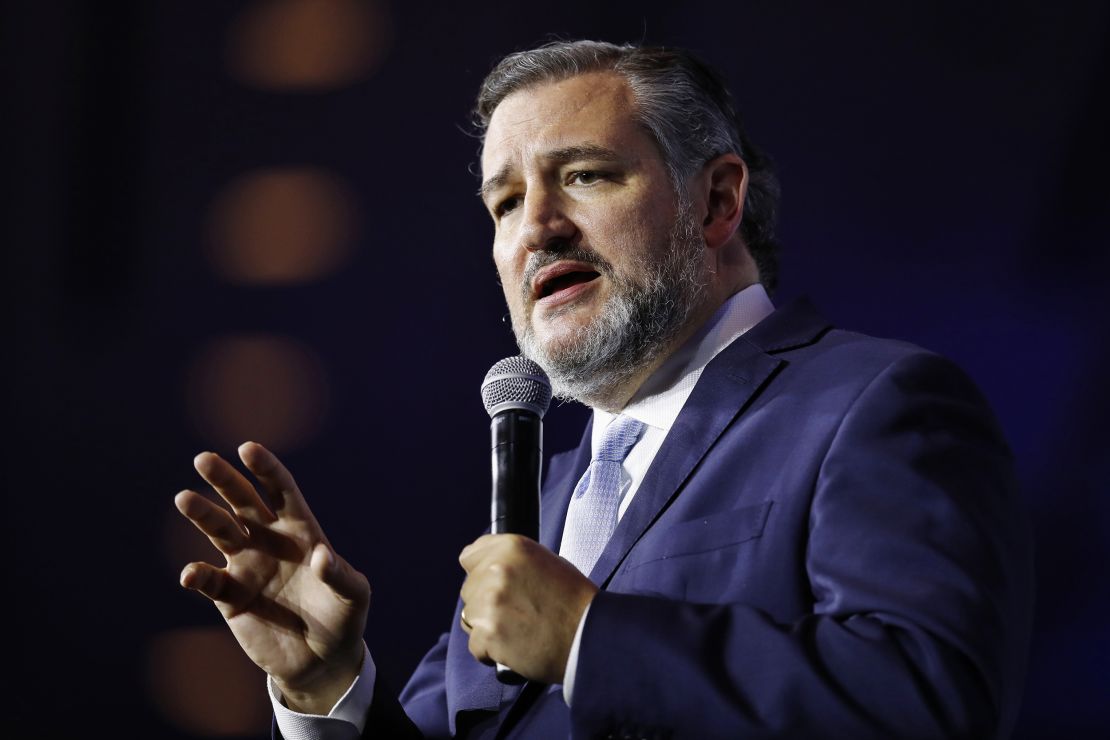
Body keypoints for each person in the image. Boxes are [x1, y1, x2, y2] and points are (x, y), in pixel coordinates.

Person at [175, 40, 1034, 739]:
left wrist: (588, 638)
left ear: (716, 201)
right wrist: (330, 690)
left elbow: (927, 698)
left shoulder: (872, 402)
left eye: (583, 175)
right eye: (505, 202)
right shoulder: (547, 504)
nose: (537, 227)